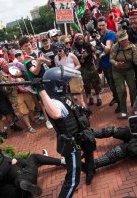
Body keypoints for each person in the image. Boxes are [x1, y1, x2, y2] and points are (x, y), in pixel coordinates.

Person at [38, 66, 96, 197]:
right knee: (72, 180)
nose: (66, 84)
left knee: (88, 150)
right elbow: (56, 114)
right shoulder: (53, 103)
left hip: (79, 135)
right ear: (57, 85)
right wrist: (41, 90)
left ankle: (89, 171)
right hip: (71, 143)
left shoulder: (63, 97)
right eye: (63, 82)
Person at [92, 92, 137, 170]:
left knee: (116, 152)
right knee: (112, 130)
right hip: (136, 133)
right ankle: (90, 133)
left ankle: (93, 165)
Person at [109, 30, 137, 119]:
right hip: (117, 71)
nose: (124, 42)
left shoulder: (133, 47)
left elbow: (136, 61)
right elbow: (111, 59)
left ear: (127, 37)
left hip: (129, 70)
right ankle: (123, 112)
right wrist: (116, 63)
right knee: (122, 91)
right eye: (121, 40)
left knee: (133, 89)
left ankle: (135, 109)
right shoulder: (115, 47)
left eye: (125, 39)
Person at [71, 33, 102, 106]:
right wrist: (81, 56)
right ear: (76, 40)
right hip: (82, 67)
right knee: (86, 82)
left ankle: (98, 97)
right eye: (79, 39)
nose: (81, 40)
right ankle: (90, 97)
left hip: (90, 65)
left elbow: (94, 50)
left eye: (82, 38)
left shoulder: (87, 44)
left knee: (95, 81)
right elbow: (77, 54)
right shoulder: (74, 47)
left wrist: (93, 48)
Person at [54, 42, 86, 107]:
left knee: (79, 99)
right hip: (64, 80)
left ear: (64, 49)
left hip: (74, 78)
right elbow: (57, 68)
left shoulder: (71, 55)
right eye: (56, 51)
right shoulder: (56, 58)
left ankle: (85, 112)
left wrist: (72, 70)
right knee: (71, 99)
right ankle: (78, 113)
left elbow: (78, 65)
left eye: (60, 50)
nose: (58, 52)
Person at [97, 16, 119, 108]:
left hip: (111, 63)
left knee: (114, 83)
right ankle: (115, 97)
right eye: (100, 25)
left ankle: (120, 103)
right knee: (110, 83)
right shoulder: (101, 34)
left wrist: (99, 42)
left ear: (106, 24)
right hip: (104, 63)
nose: (101, 27)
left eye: (103, 25)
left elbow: (107, 50)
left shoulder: (110, 34)